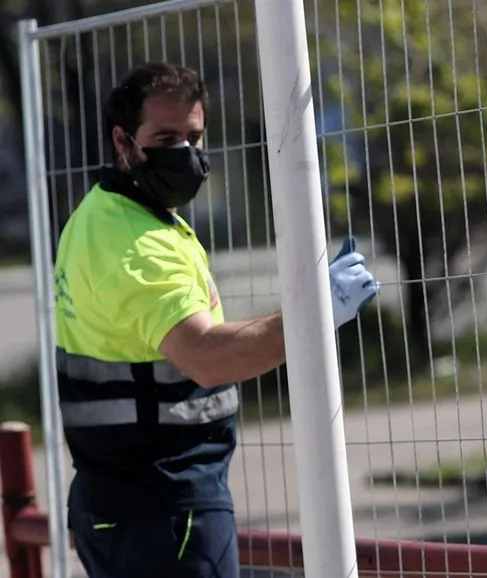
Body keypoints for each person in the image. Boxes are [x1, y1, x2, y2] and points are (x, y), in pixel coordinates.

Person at [53, 61, 380, 577]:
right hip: (166, 509)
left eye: (195, 136)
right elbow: (206, 356)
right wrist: (318, 312)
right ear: (122, 141)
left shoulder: (99, 216)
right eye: (165, 137)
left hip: (118, 504)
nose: (185, 152)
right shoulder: (140, 245)